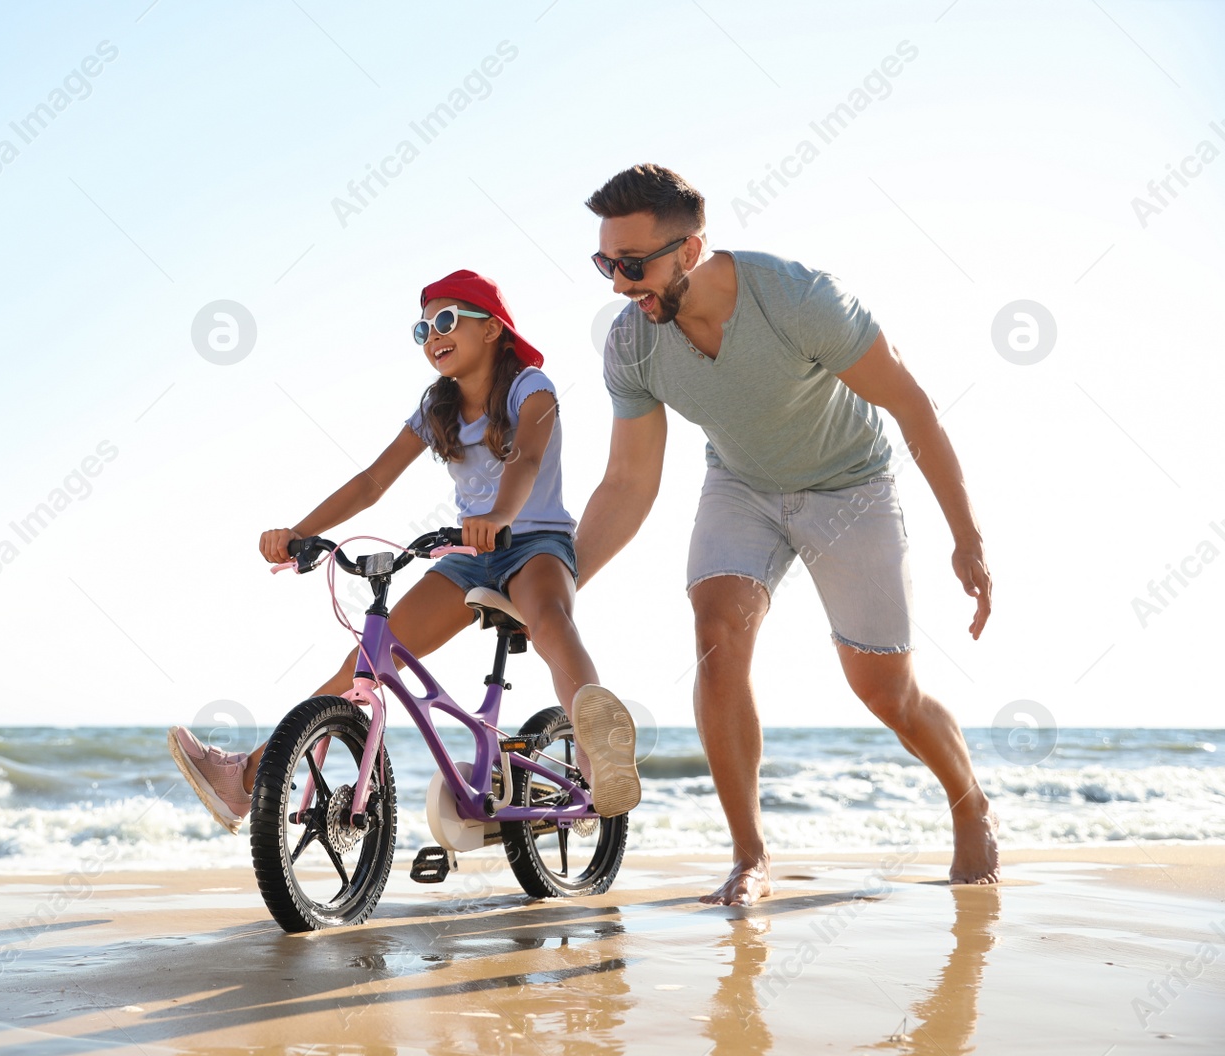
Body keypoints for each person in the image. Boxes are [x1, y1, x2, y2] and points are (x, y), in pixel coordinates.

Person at [573, 163, 999, 905]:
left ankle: (970, 802)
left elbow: (912, 405)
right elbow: (628, 483)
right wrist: (559, 584)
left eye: (633, 265)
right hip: (741, 487)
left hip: (851, 485)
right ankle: (750, 855)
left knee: (886, 692)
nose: (618, 284)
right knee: (717, 631)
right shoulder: (633, 343)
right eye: (606, 264)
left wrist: (967, 537)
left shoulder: (799, 298)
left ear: (691, 250)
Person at [169, 269, 641, 832]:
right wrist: (299, 532)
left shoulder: (530, 387)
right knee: (364, 664)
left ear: (492, 329)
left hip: (535, 540)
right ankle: (245, 779)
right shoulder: (435, 408)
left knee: (551, 623)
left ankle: (598, 759)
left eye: (445, 320)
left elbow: (527, 460)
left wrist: (497, 517)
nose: (432, 335)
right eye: (422, 329)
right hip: (469, 554)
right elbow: (372, 482)